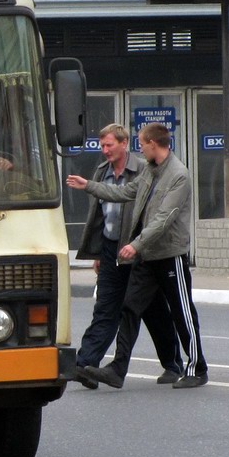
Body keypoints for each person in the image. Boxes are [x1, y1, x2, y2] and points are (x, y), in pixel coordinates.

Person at [67, 122, 208, 389]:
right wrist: (89, 186)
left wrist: (136, 244)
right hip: (145, 257)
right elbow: (122, 193)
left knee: (181, 312)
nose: (139, 148)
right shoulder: (150, 173)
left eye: (142, 144)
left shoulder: (179, 175)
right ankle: (117, 370)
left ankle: (197, 368)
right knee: (129, 308)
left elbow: (163, 219)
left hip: (169, 255)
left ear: (154, 144)